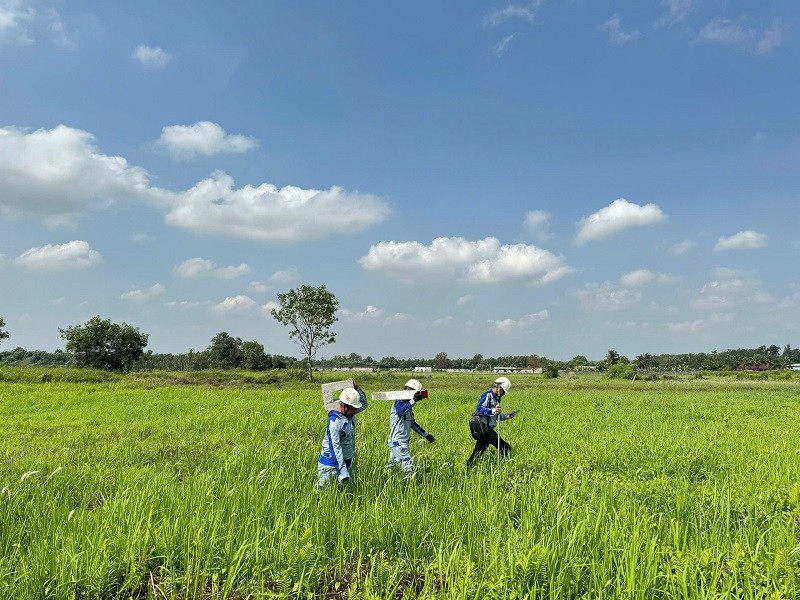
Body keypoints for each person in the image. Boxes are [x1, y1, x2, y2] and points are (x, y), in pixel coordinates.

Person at [317, 383, 368, 488]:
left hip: (346, 462)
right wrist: (343, 471)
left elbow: (364, 404)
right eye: (353, 409)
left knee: (345, 496)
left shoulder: (349, 413)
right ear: (345, 407)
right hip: (330, 466)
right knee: (322, 497)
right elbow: (335, 447)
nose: (356, 411)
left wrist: (357, 389)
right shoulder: (334, 421)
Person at [385, 378, 435, 476]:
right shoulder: (398, 402)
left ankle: (382, 482)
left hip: (401, 442)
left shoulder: (409, 407)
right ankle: (413, 486)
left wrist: (426, 435)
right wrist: (413, 401)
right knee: (410, 470)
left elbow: (412, 424)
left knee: (389, 469)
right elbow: (400, 411)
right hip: (398, 443)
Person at [466, 376, 519, 467]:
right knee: (506, 448)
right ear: (499, 387)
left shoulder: (496, 398)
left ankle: (468, 468)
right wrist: (493, 411)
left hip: (487, 430)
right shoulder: (488, 395)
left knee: (477, 453)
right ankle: (502, 466)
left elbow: (495, 416)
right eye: (503, 391)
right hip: (485, 429)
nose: (504, 394)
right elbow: (478, 409)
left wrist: (507, 416)